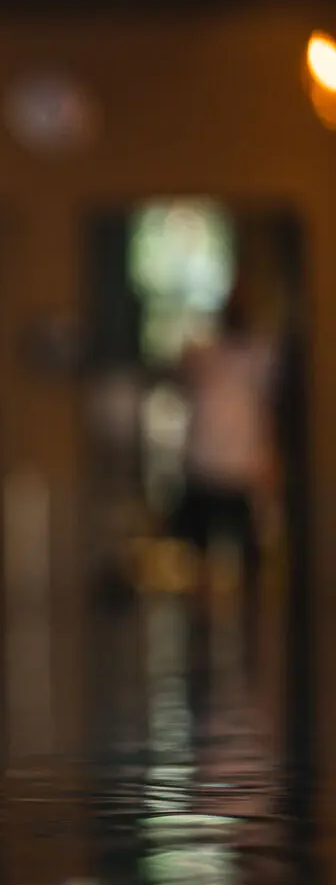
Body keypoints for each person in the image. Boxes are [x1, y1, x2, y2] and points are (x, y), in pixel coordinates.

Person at [170, 283, 277, 661]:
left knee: (247, 552)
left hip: (240, 465)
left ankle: (251, 628)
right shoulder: (204, 354)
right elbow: (178, 374)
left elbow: (268, 409)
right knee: (201, 550)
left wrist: (266, 462)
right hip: (204, 463)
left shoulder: (259, 355)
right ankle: (201, 627)